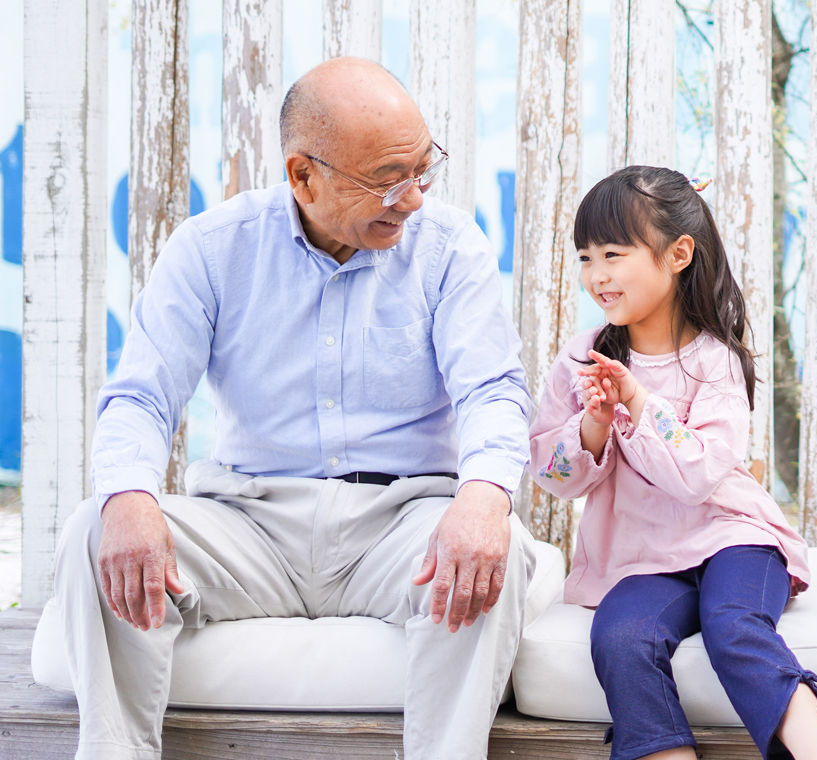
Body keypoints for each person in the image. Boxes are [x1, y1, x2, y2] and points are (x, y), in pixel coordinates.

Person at [53, 57, 539, 760]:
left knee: (496, 549)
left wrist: (485, 496)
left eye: (422, 168)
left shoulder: (450, 248)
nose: (413, 198)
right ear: (302, 177)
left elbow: (492, 389)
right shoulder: (211, 249)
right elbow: (141, 395)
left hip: (400, 526)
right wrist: (127, 495)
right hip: (251, 521)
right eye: (386, 179)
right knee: (92, 533)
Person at [527, 166, 817, 760]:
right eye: (586, 257)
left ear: (678, 254)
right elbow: (552, 477)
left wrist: (638, 402)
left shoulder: (715, 360)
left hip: (733, 539)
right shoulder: (582, 360)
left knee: (735, 628)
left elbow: (697, 477)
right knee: (620, 637)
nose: (597, 275)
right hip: (643, 556)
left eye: (613, 254)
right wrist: (595, 421)